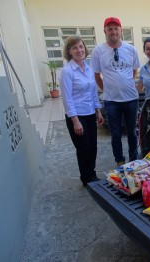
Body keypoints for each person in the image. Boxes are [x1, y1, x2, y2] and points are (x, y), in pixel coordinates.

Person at [91, 17, 140, 167]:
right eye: (110, 28)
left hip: (131, 99)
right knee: (116, 134)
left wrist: (124, 85)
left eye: (116, 28)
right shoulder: (99, 51)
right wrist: (108, 89)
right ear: (105, 31)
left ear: (121, 30)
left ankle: (134, 160)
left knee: (132, 132)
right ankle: (119, 161)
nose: (113, 31)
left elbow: (134, 70)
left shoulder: (131, 49)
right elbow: (96, 75)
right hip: (111, 101)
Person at [59, 36, 104, 186]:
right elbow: (67, 98)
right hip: (77, 116)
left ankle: (92, 174)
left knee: (92, 147)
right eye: (75, 48)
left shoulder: (89, 68)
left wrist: (98, 111)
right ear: (69, 52)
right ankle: (86, 178)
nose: (79, 50)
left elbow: (93, 92)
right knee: (83, 148)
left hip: (90, 113)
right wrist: (75, 121)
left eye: (81, 46)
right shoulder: (67, 71)